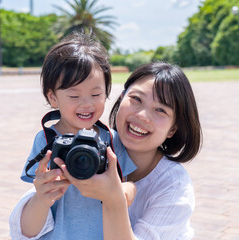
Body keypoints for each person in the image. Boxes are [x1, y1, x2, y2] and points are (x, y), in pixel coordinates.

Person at [9, 32, 137, 239]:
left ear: (106, 92)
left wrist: (128, 190)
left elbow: (129, 185)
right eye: (74, 95)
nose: (86, 104)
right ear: (53, 98)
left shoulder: (112, 140)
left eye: (96, 94)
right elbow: (29, 226)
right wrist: (43, 196)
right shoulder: (47, 140)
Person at [54, 62, 203, 239]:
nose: (142, 115)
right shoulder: (89, 151)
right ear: (122, 97)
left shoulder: (173, 186)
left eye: (161, 110)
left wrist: (113, 200)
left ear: (173, 129)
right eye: (136, 99)